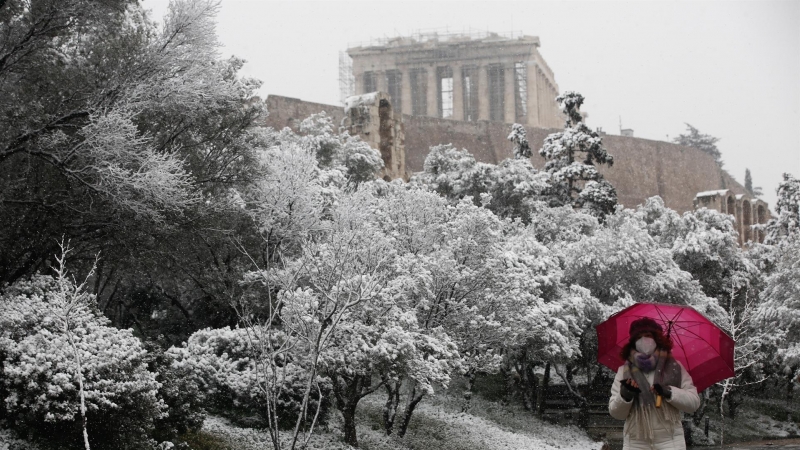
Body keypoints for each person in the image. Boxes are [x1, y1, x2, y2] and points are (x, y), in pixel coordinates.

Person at [609, 317, 701, 450]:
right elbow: (616, 413)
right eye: (638, 337)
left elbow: (693, 403)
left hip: (670, 441)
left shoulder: (675, 368)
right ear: (633, 342)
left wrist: (669, 392)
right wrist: (625, 396)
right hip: (635, 442)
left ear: (657, 339)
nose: (643, 340)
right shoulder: (623, 371)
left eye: (648, 335)